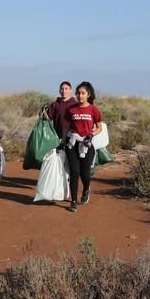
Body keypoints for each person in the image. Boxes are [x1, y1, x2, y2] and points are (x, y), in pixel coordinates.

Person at [63, 81, 102, 212]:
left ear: (88, 95)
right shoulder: (71, 109)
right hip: (72, 143)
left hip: (86, 144)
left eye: (83, 93)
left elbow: (99, 127)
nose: (80, 96)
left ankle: (86, 189)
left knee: (85, 173)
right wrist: (62, 141)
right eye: (78, 93)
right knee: (74, 172)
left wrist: (91, 135)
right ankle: (73, 201)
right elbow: (67, 127)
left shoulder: (93, 110)